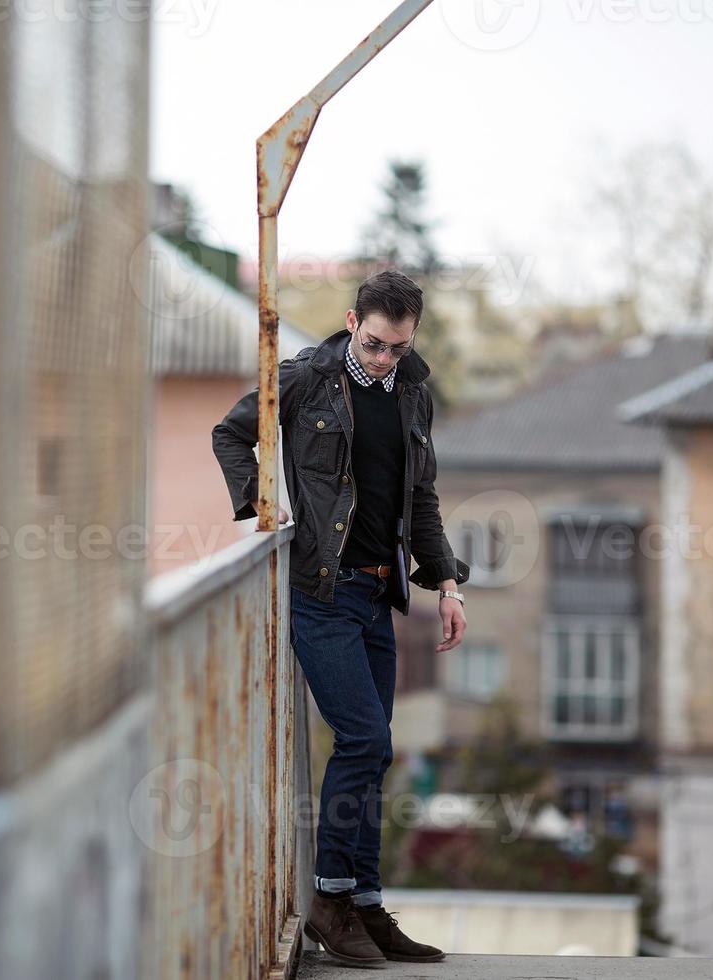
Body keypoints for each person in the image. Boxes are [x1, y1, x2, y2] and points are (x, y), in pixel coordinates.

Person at [211, 269, 469, 968]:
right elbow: (232, 435)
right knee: (359, 738)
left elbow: (423, 499)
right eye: (378, 343)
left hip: (381, 594)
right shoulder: (305, 378)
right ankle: (329, 898)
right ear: (354, 321)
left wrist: (446, 581)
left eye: (399, 347)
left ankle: (364, 903)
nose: (386, 359)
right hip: (321, 591)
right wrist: (263, 506)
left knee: (377, 748)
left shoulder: (413, 392)